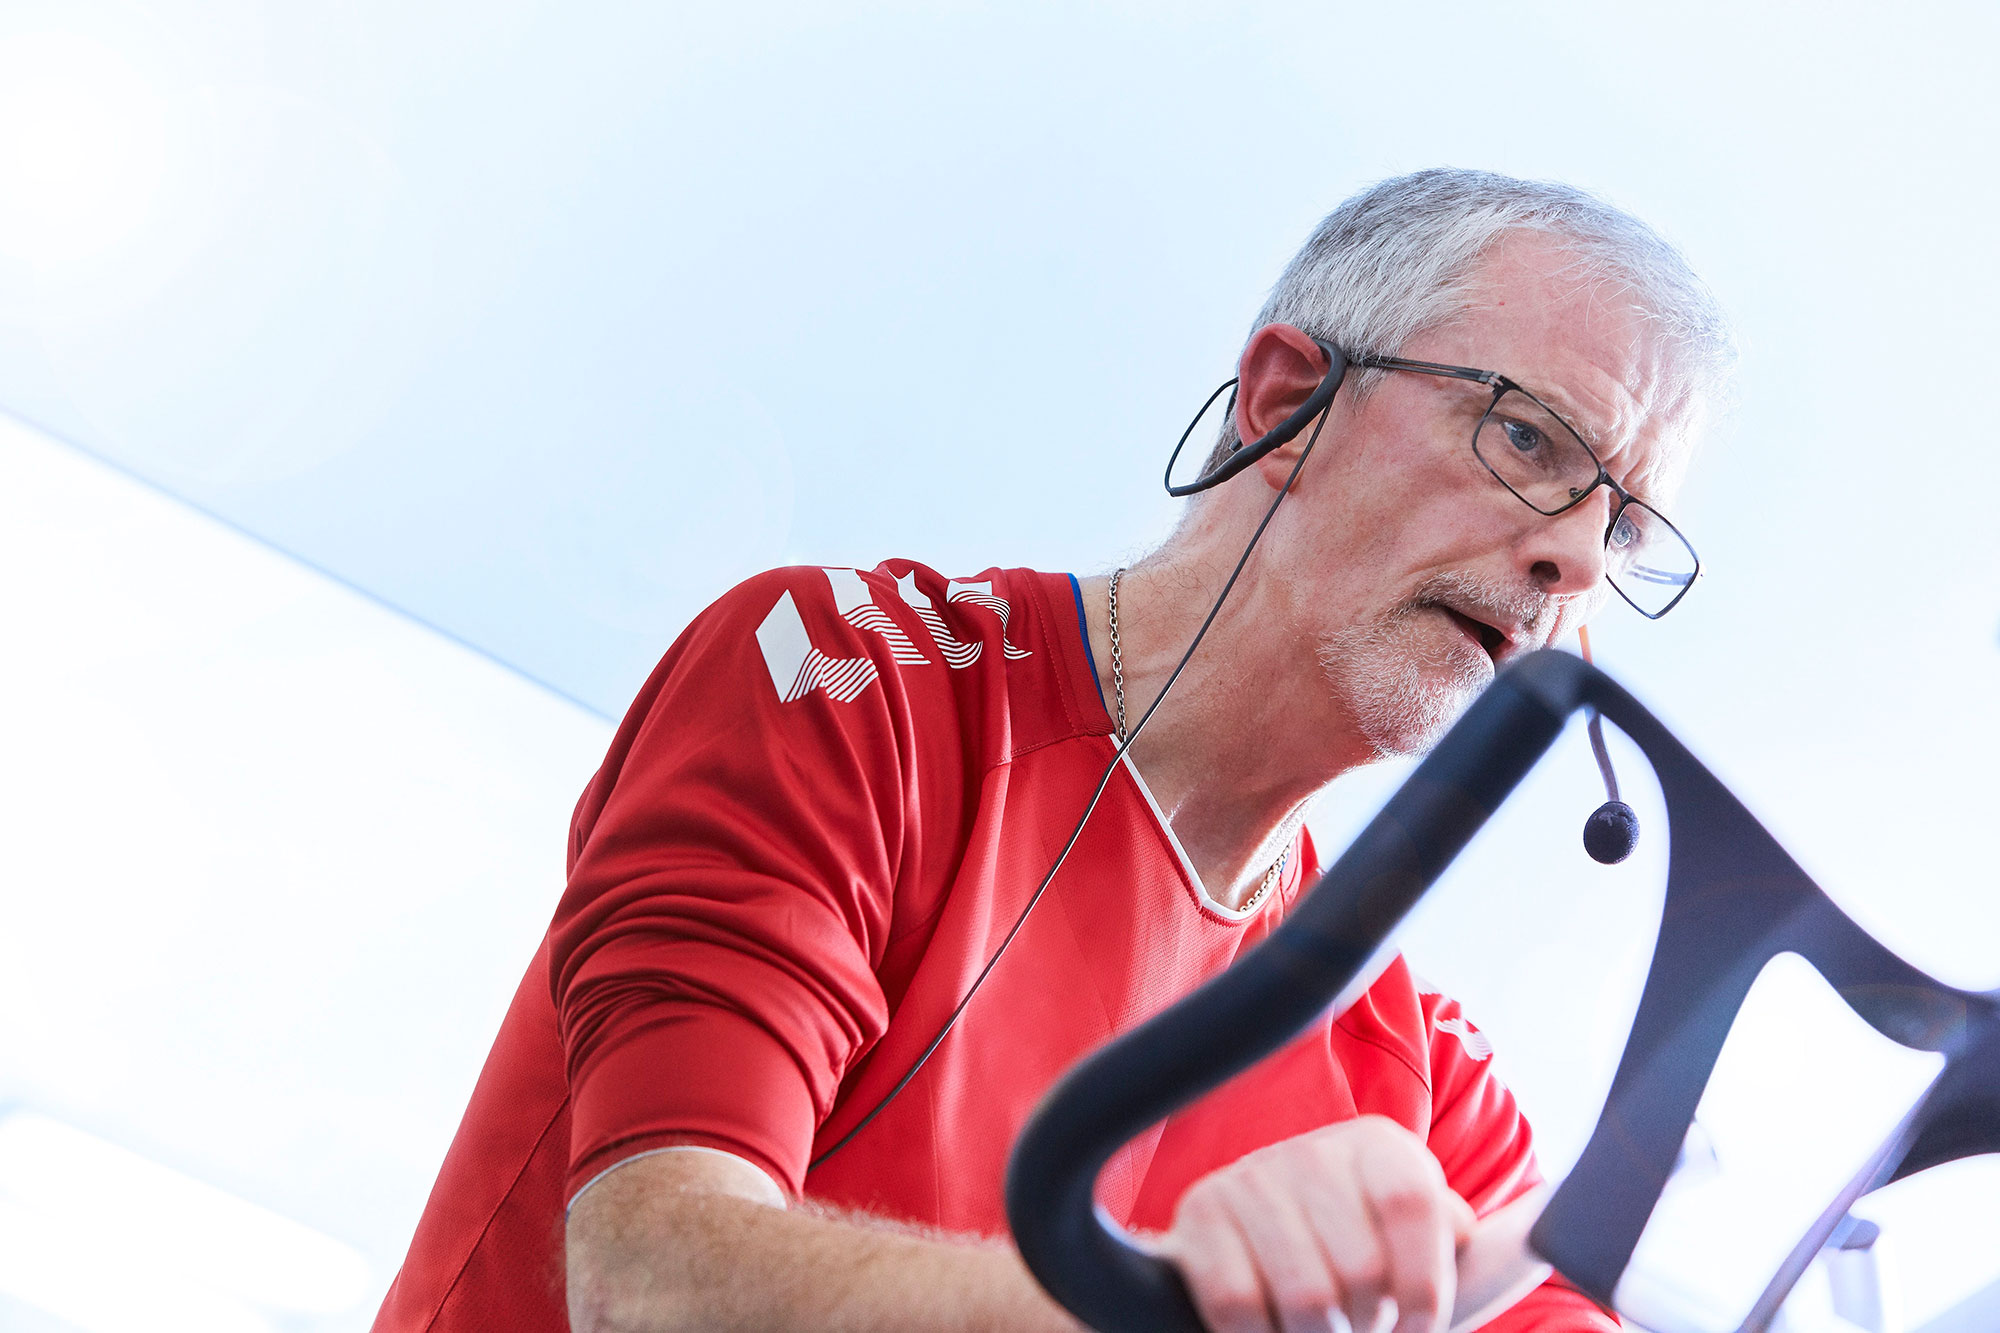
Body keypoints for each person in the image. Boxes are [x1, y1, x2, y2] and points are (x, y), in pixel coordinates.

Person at [373, 168, 1732, 1333]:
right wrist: (1155, 1301)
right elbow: (649, 1273)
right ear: (1285, 402)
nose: (1571, 554)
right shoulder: (846, 684)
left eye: (1621, 530)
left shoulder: (1422, 1077)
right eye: (1525, 435)